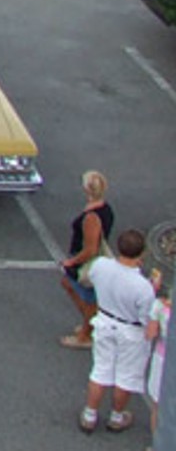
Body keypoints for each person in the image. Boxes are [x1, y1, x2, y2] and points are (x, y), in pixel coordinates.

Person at [80, 229, 161, 434]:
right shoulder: (143, 287)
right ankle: (117, 416)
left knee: (100, 370)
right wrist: (154, 288)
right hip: (131, 331)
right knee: (126, 376)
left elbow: (91, 279)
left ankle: (89, 415)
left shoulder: (101, 265)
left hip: (105, 321)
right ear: (142, 253)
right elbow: (145, 317)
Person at [61, 170, 117, 350]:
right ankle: (90, 325)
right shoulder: (105, 209)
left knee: (87, 298)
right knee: (71, 286)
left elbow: (90, 249)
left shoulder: (91, 217)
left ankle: (87, 332)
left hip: (87, 262)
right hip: (95, 260)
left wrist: (72, 262)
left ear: (87, 189)